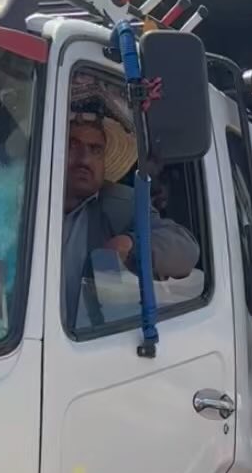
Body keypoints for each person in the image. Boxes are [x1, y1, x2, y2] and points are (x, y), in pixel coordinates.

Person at [62, 87, 199, 319]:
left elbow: (185, 249)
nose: (84, 159)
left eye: (95, 150)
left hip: (86, 347)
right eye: (73, 146)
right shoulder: (15, 203)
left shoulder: (119, 204)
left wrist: (130, 244)